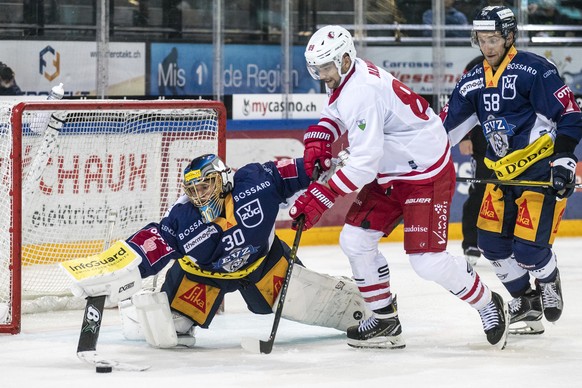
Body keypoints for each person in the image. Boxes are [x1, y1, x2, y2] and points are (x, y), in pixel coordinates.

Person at [289, 25, 509, 350]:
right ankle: (384, 319)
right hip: (392, 171)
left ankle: (488, 303)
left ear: (345, 58)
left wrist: (321, 197)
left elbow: (364, 161)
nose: (322, 75)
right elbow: (337, 112)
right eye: (318, 68)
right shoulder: (349, 75)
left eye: (326, 67)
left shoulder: (361, 89)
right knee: (354, 239)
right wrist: (320, 138)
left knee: (427, 261)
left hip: (424, 174)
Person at [63, 154, 372, 348]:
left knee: (338, 308)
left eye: (205, 186)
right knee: (169, 331)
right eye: (193, 190)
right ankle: (133, 316)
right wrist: (111, 268)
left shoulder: (256, 182)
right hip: (202, 277)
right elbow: (151, 244)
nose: (199, 195)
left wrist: (328, 164)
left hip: (262, 265)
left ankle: (364, 301)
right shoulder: (182, 218)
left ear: (223, 179)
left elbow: (296, 170)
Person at [440, 6, 581, 335]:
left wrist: (564, 159)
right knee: (492, 246)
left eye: (493, 39)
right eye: (481, 39)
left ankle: (547, 278)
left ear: (509, 36)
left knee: (529, 250)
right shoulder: (473, 80)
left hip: (538, 172)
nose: (487, 46)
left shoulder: (535, 69)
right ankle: (526, 302)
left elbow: (570, 115)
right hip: (499, 177)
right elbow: (442, 130)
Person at [458, 55, 491, 266]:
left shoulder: (519, 63)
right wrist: (463, 136)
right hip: (481, 138)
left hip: (514, 140)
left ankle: (513, 243)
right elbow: (461, 100)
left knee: (512, 192)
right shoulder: (474, 65)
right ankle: (471, 242)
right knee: (480, 190)